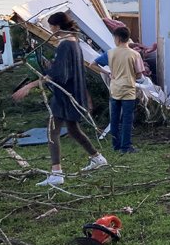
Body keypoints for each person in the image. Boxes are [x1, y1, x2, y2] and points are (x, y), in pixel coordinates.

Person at [12, 12, 107, 186]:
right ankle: (97, 158)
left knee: (52, 132)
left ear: (56, 26)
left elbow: (58, 75)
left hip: (64, 94)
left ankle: (57, 173)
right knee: (73, 129)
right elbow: (65, 69)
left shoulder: (64, 45)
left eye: (50, 26)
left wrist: (29, 86)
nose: (50, 29)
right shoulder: (74, 42)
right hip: (74, 91)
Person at [97, 27, 142, 153]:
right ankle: (125, 147)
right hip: (128, 90)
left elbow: (93, 64)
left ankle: (115, 145)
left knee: (114, 119)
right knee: (127, 120)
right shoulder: (135, 54)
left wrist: (107, 72)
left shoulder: (110, 53)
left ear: (118, 38)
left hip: (115, 89)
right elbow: (139, 75)